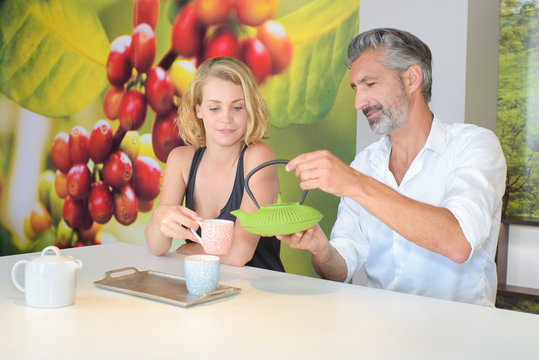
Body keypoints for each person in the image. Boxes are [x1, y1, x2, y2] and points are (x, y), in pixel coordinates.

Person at [277, 28, 507, 306]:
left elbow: (459, 242)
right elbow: (339, 272)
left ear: (411, 79)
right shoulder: (364, 163)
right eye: (356, 89)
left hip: (457, 336)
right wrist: (321, 249)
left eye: (369, 84)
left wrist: (354, 183)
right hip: (379, 330)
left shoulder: (474, 145)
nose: (358, 103)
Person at [145, 56, 284, 272]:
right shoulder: (180, 160)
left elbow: (239, 254)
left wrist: (186, 250)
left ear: (249, 109)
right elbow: (157, 246)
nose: (226, 118)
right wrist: (158, 219)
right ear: (198, 110)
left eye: (237, 108)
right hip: (203, 289)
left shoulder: (259, 157)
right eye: (214, 108)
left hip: (259, 294)